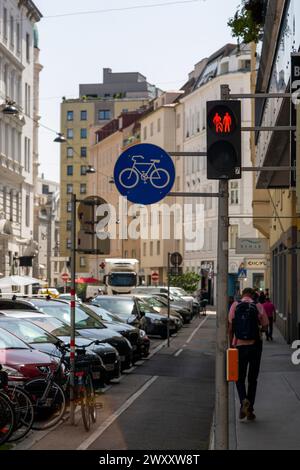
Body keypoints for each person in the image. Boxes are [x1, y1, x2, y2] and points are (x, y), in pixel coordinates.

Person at [229, 288, 268, 421]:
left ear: (243, 294)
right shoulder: (258, 306)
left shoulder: (235, 305)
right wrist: (258, 329)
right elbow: (265, 325)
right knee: (252, 379)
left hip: (239, 346)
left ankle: (243, 402)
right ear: (252, 295)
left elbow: (231, 326)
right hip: (255, 346)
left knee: (239, 377)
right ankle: (250, 410)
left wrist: (231, 345)